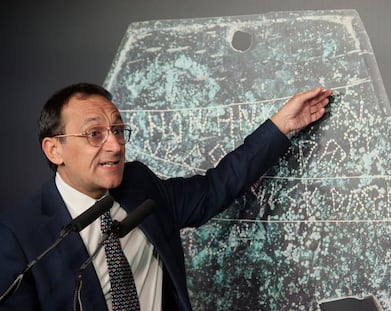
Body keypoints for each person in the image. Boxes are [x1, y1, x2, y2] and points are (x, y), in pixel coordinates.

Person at [0, 82, 331, 310]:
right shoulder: (18, 235)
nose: (115, 146)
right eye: (95, 134)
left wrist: (281, 125)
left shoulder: (140, 185)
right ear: (54, 149)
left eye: (117, 130)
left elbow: (217, 187)